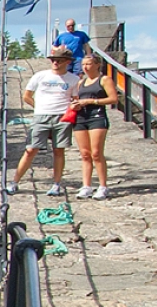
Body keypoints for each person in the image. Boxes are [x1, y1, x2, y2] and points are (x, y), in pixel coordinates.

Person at [12, 46, 80, 195]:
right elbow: (27, 96)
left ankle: (56, 184)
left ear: (67, 62)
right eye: (54, 60)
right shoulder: (40, 75)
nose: (55, 62)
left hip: (62, 117)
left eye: (59, 60)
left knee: (58, 150)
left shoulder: (74, 79)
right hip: (41, 115)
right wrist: (39, 107)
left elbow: (75, 99)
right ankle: (15, 182)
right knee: (30, 149)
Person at [73, 52, 114, 199]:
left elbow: (113, 98)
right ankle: (86, 186)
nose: (85, 67)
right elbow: (77, 98)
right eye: (83, 64)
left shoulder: (104, 79)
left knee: (96, 153)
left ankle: (103, 186)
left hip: (97, 117)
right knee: (85, 154)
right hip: (81, 118)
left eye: (89, 64)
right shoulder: (80, 82)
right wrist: (76, 105)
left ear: (97, 65)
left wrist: (92, 101)